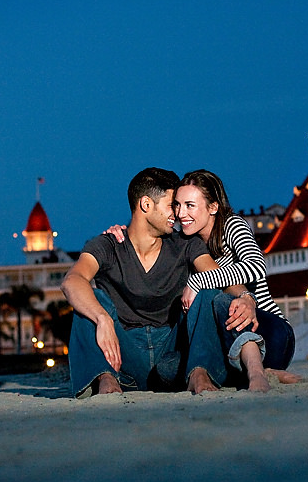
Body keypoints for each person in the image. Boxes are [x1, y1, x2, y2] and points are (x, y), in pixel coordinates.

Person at [106, 169, 300, 392]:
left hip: (266, 331)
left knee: (218, 301)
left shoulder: (232, 226)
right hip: (223, 341)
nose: (181, 214)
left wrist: (199, 280)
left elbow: (256, 266)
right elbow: (146, 233)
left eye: (190, 205)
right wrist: (122, 233)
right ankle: (250, 374)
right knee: (168, 370)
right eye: (177, 205)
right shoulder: (183, 243)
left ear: (213, 207)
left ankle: (257, 373)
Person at [61, 167, 250, 397]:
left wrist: (245, 297)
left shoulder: (185, 244)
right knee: (90, 300)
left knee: (207, 295)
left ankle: (200, 375)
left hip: (172, 358)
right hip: (122, 355)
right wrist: (103, 319)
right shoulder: (107, 245)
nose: (179, 214)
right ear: (146, 205)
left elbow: (221, 275)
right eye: (173, 205)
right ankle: (106, 380)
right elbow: (72, 281)